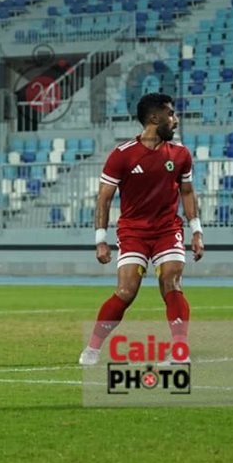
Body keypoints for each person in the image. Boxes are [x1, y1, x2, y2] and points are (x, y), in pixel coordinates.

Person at [78, 92, 204, 366]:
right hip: (133, 232)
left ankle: (180, 352)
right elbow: (104, 198)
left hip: (168, 230)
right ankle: (93, 348)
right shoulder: (122, 155)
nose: (176, 120)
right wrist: (101, 239)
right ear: (154, 118)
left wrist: (196, 230)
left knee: (171, 280)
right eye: (171, 114)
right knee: (126, 291)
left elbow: (187, 192)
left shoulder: (181, 154)